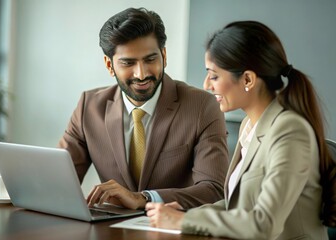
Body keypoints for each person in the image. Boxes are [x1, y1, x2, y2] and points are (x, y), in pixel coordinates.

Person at [146, 21, 336, 239]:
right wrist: (182, 213)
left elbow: (264, 224)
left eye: (214, 75)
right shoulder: (249, 125)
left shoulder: (290, 131)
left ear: (247, 79)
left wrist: (184, 220)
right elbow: (236, 204)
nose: (207, 84)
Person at [58, 7, 229, 210]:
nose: (141, 74)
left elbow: (214, 189)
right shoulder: (89, 106)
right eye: (128, 63)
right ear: (109, 65)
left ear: (163, 55)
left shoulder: (202, 106)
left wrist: (144, 198)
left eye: (150, 59)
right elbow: (59, 181)